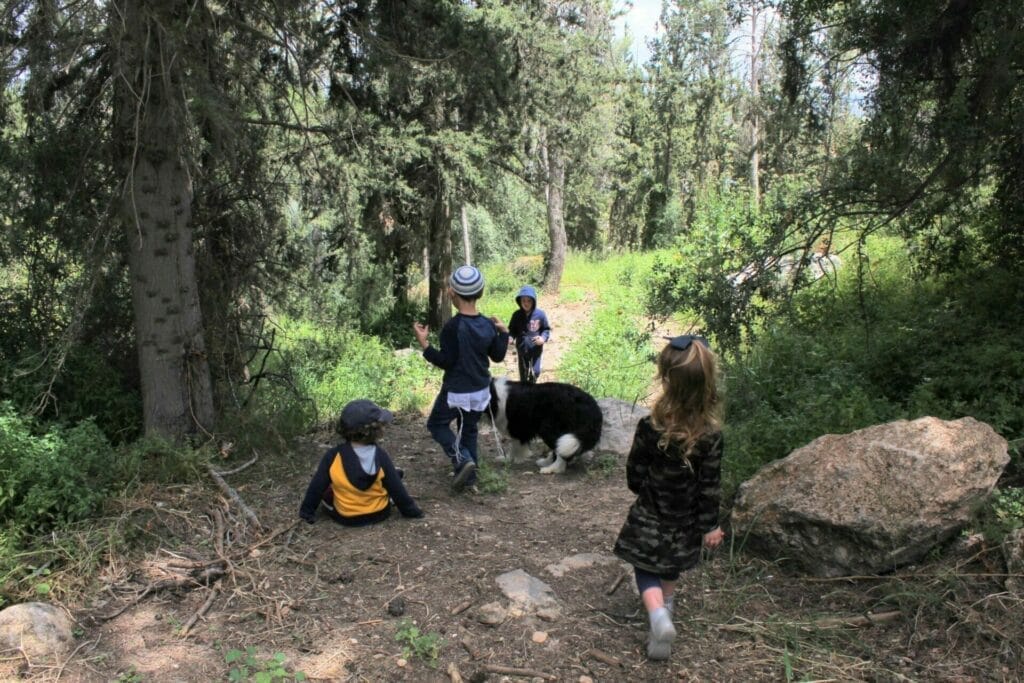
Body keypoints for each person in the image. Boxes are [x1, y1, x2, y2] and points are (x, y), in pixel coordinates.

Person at [612, 334, 725, 660]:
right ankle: (666, 613)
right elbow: (710, 486)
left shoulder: (650, 427)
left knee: (645, 567)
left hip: (650, 515)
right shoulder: (712, 436)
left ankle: (657, 614)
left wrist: (643, 488)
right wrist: (709, 526)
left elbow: (635, 473)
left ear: (666, 380)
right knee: (670, 568)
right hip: (685, 521)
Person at [413, 265, 509, 492]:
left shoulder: (452, 327)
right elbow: (497, 356)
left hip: (455, 391)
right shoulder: (487, 324)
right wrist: (503, 333)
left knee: (436, 424)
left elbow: (445, 361)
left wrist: (424, 344)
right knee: (469, 429)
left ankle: (462, 459)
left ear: (452, 293)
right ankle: (470, 478)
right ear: (480, 292)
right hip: (480, 390)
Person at [299, 399, 423, 526]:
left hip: (347, 518)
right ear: (375, 430)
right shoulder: (380, 455)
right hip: (380, 513)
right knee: (391, 478)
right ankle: (392, 477)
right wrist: (412, 511)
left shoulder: (332, 456)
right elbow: (397, 489)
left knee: (327, 490)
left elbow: (316, 487)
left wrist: (306, 512)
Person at [507, 285, 551, 384]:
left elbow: (546, 330)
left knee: (536, 371)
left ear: (533, 301)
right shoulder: (516, 315)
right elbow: (512, 330)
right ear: (520, 301)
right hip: (522, 348)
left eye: (529, 301)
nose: (526, 303)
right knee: (523, 373)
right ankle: (525, 390)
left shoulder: (540, 314)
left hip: (536, 348)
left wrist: (543, 339)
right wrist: (510, 338)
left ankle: (532, 383)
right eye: (524, 301)